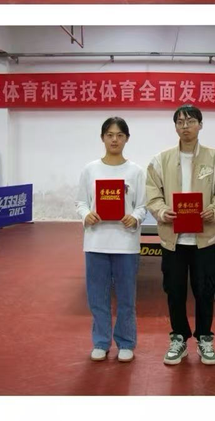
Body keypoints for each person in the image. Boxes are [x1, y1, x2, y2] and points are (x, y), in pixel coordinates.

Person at [146, 104, 215, 365]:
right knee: (174, 290)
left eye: (191, 121)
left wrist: (214, 210)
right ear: (175, 127)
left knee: (205, 290)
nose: (185, 126)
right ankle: (179, 337)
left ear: (200, 125)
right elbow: (153, 193)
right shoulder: (161, 159)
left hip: (204, 238)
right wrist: (161, 211)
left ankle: (204, 338)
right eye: (180, 122)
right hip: (173, 239)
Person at [75, 116, 147, 362]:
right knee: (97, 296)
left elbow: (143, 205)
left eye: (119, 135)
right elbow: (81, 202)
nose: (114, 139)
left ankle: (126, 342)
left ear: (127, 139)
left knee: (126, 297)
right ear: (102, 138)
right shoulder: (90, 169)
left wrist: (134, 218)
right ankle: (101, 341)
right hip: (96, 242)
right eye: (110, 135)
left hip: (126, 243)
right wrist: (86, 214)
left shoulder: (136, 171)